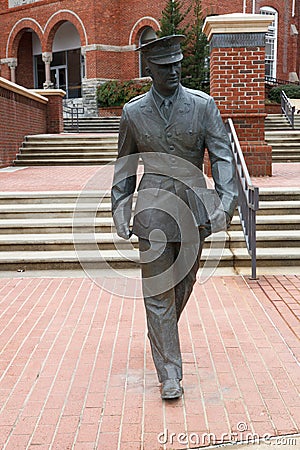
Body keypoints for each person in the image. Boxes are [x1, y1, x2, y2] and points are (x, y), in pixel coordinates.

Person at [111, 35, 238, 400]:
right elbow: (124, 169)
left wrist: (225, 205)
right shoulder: (133, 113)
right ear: (149, 69)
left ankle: (160, 334)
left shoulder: (203, 106)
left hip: (195, 211)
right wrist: (121, 210)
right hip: (153, 215)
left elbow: (224, 157)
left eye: (178, 64)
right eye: (165, 67)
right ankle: (170, 373)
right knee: (158, 294)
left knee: (182, 286)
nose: (175, 70)